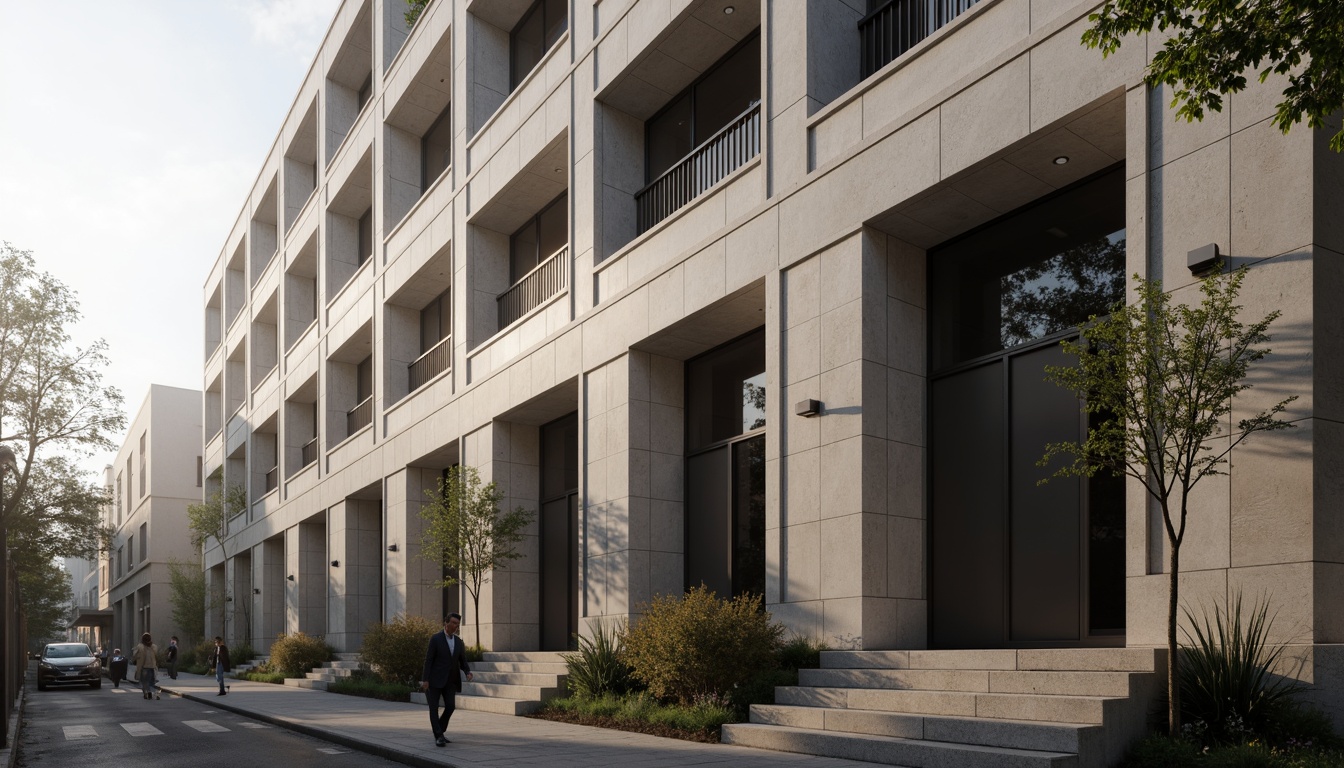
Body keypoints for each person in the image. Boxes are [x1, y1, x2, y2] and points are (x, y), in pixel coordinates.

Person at [420, 613, 473, 747]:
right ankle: (438, 735)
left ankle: (440, 731)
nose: (456, 626)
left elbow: (462, 660)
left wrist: (467, 671)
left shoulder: (458, 641)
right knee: (434, 708)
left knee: (450, 706)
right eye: (454, 623)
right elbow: (429, 660)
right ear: (446, 623)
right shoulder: (436, 639)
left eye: (457, 624)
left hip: (451, 680)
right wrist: (425, 679)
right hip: (434, 680)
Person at [131, 633, 160, 700]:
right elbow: (156, 655)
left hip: (143, 667)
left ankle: (145, 693)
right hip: (152, 667)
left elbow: (135, 655)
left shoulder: (140, 646)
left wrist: (133, 659)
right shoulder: (154, 647)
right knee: (150, 682)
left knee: (144, 682)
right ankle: (151, 691)